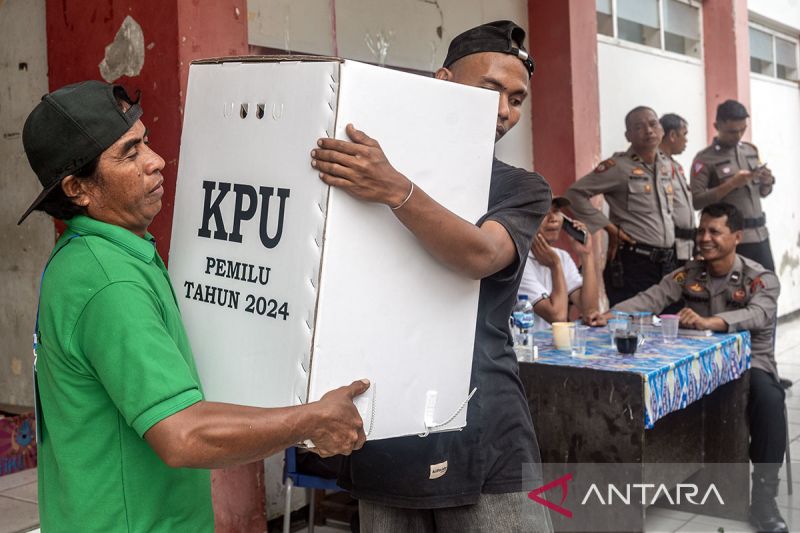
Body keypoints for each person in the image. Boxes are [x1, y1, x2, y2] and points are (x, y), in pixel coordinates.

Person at [18, 81, 369, 532]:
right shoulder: (110, 282)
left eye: (145, 141)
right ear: (78, 188)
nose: (156, 161)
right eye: (129, 153)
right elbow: (182, 434)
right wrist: (312, 419)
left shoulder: (93, 255)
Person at [310, 20, 553, 532]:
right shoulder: (366, 170)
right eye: (491, 90)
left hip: (487, 433)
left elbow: (482, 254)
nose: (505, 111)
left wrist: (395, 190)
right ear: (441, 81)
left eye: (517, 99)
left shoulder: (520, 188)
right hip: (385, 427)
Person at [608, 203, 786, 533]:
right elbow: (652, 298)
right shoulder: (689, 273)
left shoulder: (760, 278)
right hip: (700, 365)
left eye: (714, 231)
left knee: (770, 399)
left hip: (748, 363)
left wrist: (712, 322)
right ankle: (673, 474)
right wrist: (612, 314)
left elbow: (759, 315)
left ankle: (763, 498)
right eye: (701, 230)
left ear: (736, 237)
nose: (704, 238)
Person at [565, 106, 677, 306]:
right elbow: (574, 194)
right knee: (634, 324)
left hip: (668, 261)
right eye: (639, 127)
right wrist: (608, 227)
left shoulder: (666, 164)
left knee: (668, 324)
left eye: (653, 124)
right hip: (635, 262)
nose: (649, 131)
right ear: (628, 135)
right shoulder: (618, 167)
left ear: (661, 129)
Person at [690, 99, 776, 271]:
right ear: (717, 126)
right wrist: (731, 184)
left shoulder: (750, 151)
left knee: (767, 288)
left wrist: (767, 182)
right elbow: (697, 201)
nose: (738, 135)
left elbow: (762, 192)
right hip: (731, 241)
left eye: (742, 130)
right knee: (736, 293)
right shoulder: (704, 159)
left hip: (760, 236)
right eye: (732, 131)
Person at [518, 196, 601, 328]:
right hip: (526, 346)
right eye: (544, 213)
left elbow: (590, 311)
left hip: (555, 344)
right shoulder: (519, 259)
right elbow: (557, 317)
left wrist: (586, 255)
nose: (553, 219)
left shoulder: (562, 256)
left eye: (556, 211)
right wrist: (555, 266)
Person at [659, 113, 695, 265]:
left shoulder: (675, 166)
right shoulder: (657, 165)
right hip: (669, 246)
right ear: (672, 135)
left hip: (684, 246)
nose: (686, 140)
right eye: (684, 134)